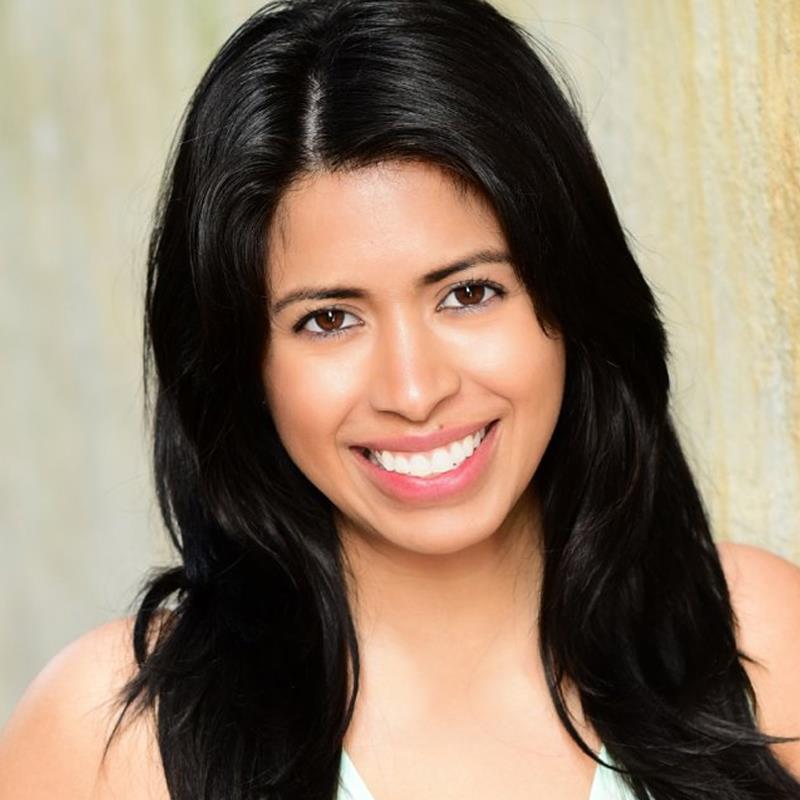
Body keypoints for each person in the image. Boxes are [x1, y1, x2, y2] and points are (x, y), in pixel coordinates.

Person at [1, 0, 799, 798]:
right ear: (242, 367)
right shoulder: (112, 741)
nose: (414, 392)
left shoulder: (759, 642)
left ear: (574, 299)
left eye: (469, 293)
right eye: (328, 319)